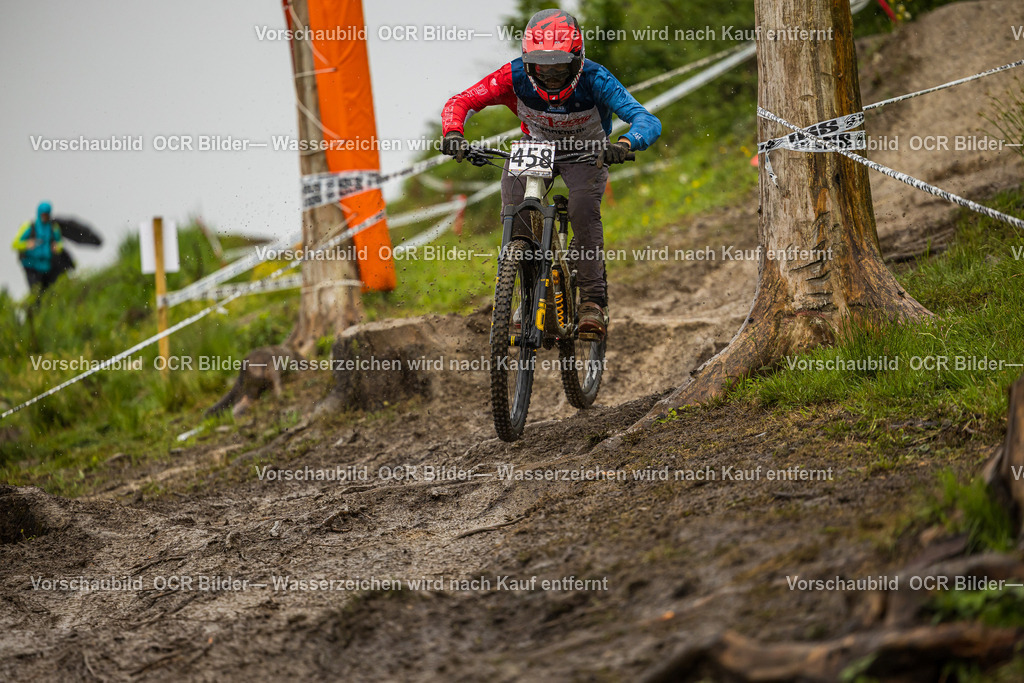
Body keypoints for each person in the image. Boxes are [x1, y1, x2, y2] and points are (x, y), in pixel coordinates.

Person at [440, 9, 661, 339]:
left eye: (560, 66)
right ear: (528, 62)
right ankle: (528, 290)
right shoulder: (512, 76)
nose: (552, 75)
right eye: (542, 67)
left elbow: (647, 120)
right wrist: (454, 133)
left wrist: (626, 142)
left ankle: (592, 303)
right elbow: (462, 101)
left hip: (587, 153)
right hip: (536, 147)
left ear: (578, 59)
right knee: (517, 213)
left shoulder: (595, 78)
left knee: (583, 211)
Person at [12, 201, 66, 295]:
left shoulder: (54, 228)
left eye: (47, 215)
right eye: (43, 215)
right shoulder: (29, 226)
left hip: (47, 267)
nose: (45, 217)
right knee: (36, 294)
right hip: (31, 266)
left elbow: (60, 244)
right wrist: (26, 244)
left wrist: (57, 247)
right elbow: (15, 244)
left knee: (50, 294)